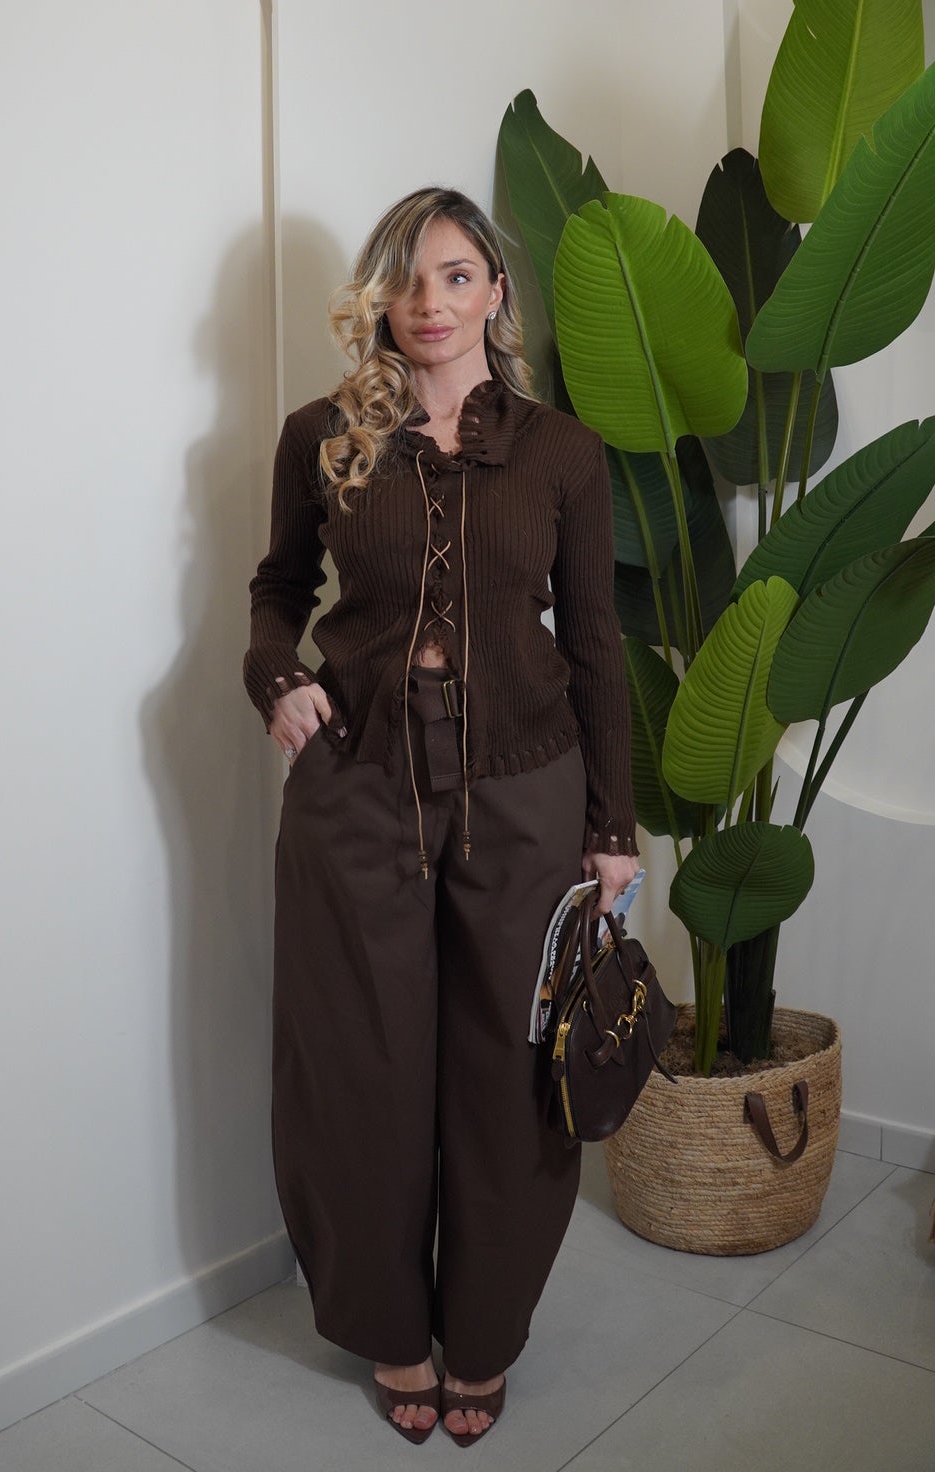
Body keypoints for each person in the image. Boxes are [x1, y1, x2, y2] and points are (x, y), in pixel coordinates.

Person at [243, 187, 639, 1446]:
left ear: (495, 294)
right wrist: (278, 677)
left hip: (523, 789)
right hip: (359, 783)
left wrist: (612, 827)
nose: (432, 302)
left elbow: (595, 643)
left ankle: (483, 1334)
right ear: (380, 297)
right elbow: (276, 590)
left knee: (507, 1075)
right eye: (410, 279)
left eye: (458, 275)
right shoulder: (322, 437)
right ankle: (390, 1328)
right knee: (360, 1067)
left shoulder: (564, 453)